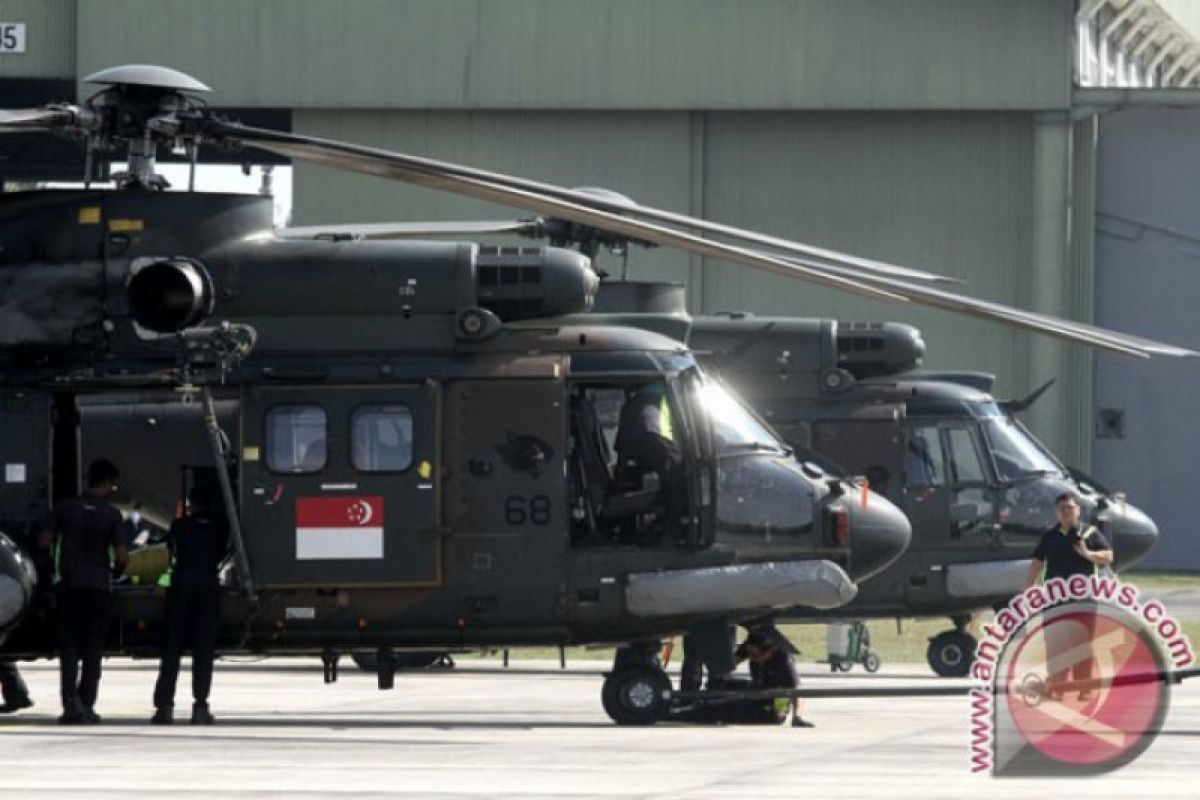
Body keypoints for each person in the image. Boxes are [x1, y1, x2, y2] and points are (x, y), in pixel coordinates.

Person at [39, 458, 127, 724]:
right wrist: (115, 572)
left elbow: (44, 540)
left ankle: (70, 704)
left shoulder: (65, 508)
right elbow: (121, 555)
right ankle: (87, 705)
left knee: (69, 649)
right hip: (98, 587)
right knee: (92, 650)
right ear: (108, 483)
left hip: (70, 586)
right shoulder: (112, 515)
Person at [151, 480, 229, 725]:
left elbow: (170, 555)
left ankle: (164, 707)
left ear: (191, 504)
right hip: (207, 586)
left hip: (181, 586)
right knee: (203, 651)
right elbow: (220, 554)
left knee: (172, 649)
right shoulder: (219, 528)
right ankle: (200, 706)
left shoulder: (179, 526)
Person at [1026, 491, 1114, 701]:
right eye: (1062, 509)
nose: (1066, 512)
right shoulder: (1050, 535)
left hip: (1083, 599)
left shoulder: (1090, 533)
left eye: (1070, 508)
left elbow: (1108, 556)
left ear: (1078, 510)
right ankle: (1057, 687)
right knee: (1056, 644)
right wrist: (1028, 587)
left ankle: (1084, 687)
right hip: (1054, 599)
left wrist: (1089, 554)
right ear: (1056, 512)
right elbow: (1037, 561)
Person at [613, 383, 687, 532]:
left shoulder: (632, 407)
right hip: (671, 469)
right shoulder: (669, 399)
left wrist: (617, 486)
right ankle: (670, 534)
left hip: (666, 466)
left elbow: (624, 456)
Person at [737, 631, 814, 727]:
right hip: (757, 696)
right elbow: (732, 662)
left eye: (756, 656)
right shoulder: (754, 652)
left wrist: (797, 717)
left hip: (774, 707)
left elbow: (797, 691)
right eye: (749, 654)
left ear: (769, 651)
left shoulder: (784, 661)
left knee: (744, 713)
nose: (752, 659)